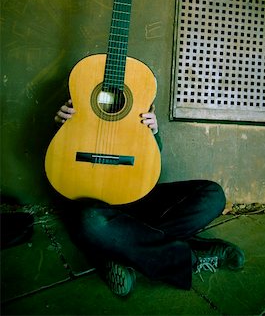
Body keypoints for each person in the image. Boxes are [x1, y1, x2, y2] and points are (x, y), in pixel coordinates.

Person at [54, 99, 245, 296]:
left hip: (140, 197)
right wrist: (61, 128)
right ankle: (190, 255)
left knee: (212, 195)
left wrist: (153, 133)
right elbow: (60, 159)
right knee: (90, 221)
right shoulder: (83, 89)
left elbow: (150, 160)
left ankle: (118, 250)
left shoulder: (137, 92)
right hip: (97, 205)